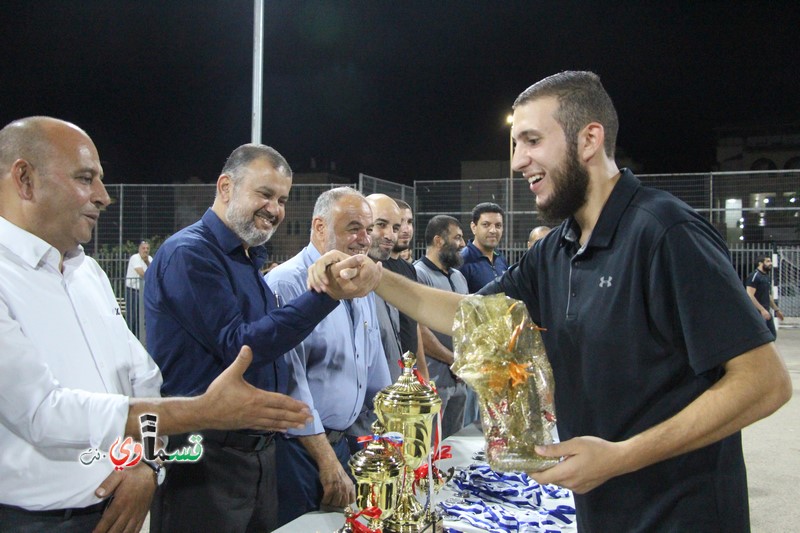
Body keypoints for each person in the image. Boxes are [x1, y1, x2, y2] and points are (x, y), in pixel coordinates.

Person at [311, 71, 792, 532]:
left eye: (533, 141)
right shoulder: (556, 249)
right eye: (516, 144)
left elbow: (763, 382)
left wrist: (621, 457)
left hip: (681, 516)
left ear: (589, 139)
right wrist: (375, 280)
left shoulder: (665, 232)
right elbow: (471, 316)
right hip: (600, 511)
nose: (519, 160)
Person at [0, 117, 314, 533]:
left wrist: (145, 462)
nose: (104, 196)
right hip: (35, 521)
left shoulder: (87, 272)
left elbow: (142, 377)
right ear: (25, 178)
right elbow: (41, 412)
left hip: (123, 503)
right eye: (85, 178)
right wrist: (201, 412)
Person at [144, 147, 377, 532]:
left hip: (256, 457)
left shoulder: (247, 259)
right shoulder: (189, 254)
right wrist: (325, 296)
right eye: (264, 194)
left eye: (283, 199)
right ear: (225, 187)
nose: (275, 208)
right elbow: (242, 346)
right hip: (205, 457)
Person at [266, 187, 391, 525]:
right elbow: (291, 386)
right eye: (353, 228)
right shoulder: (287, 283)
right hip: (299, 452)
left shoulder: (357, 280)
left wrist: (385, 439)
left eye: (369, 228)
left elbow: (375, 373)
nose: (365, 239)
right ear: (320, 227)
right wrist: (326, 461)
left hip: (345, 445)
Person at [413, 215, 469, 439]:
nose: (463, 244)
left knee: (455, 447)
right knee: (429, 448)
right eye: (457, 238)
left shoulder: (459, 277)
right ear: (438, 241)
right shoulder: (419, 274)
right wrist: (451, 359)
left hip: (460, 379)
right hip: (435, 381)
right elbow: (420, 330)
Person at [383, 198, 429, 382]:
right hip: (387, 371)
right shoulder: (376, 266)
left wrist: (423, 372)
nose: (406, 229)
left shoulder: (409, 269)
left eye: (409, 222)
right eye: (399, 223)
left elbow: (413, 323)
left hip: (410, 371)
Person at [459, 202, 509, 294]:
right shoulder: (462, 260)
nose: (493, 230)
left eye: (498, 225)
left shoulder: (501, 259)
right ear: (474, 227)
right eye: (486, 225)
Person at [746, 255, 784, 339]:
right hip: (756, 313)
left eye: (770, 261)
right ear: (760, 263)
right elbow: (750, 295)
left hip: (766, 312)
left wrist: (776, 310)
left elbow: (768, 295)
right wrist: (762, 310)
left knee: (772, 336)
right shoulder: (754, 276)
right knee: (761, 338)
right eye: (768, 261)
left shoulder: (766, 277)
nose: (770, 263)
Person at [124, 240, 152, 334]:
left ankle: (139, 337)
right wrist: (150, 275)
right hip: (132, 290)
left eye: (147, 248)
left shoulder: (150, 259)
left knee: (141, 316)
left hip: (143, 291)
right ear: (139, 249)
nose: (146, 250)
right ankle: (130, 335)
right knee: (132, 317)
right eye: (143, 248)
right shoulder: (135, 258)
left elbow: (153, 271)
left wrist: (147, 262)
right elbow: (141, 273)